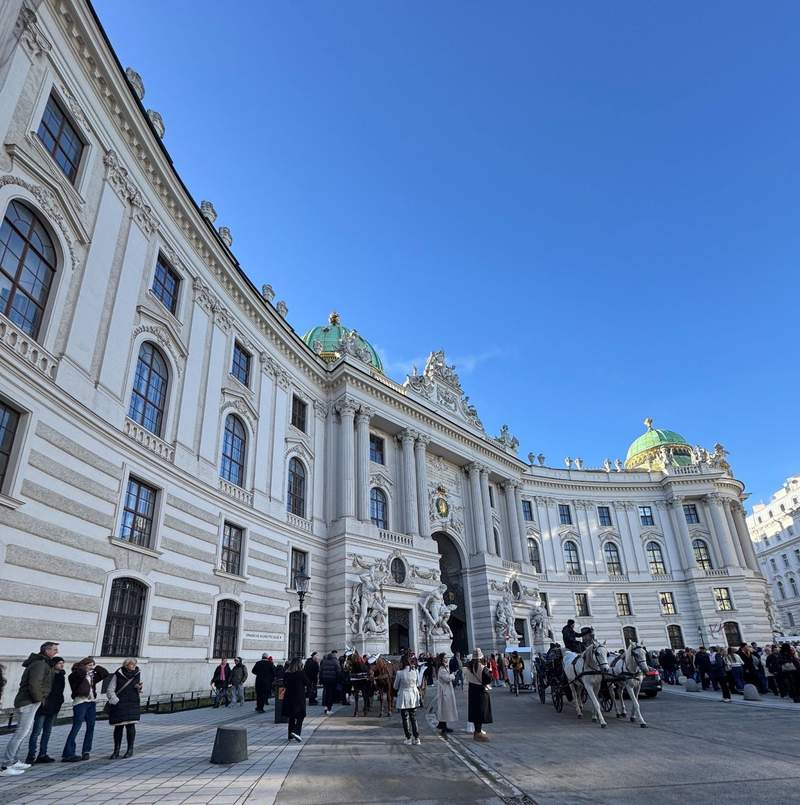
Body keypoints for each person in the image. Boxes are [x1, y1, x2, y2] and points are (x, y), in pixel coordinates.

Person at [1, 641, 59, 776]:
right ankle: (6, 764)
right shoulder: (40, 664)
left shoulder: (42, 662)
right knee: (20, 733)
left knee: (23, 733)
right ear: (46, 650)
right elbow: (34, 683)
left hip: (31, 701)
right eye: (54, 649)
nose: (56, 652)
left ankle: (14, 760)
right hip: (28, 702)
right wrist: (39, 699)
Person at [62, 656, 109, 762]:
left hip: (91, 703)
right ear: (83, 665)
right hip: (80, 702)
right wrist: (84, 669)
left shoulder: (92, 676)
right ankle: (68, 753)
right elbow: (79, 675)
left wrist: (96, 667)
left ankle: (86, 751)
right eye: (89, 665)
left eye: (92, 665)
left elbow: (105, 674)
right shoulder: (75, 675)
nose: (91, 667)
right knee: (76, 726)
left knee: (91, 727)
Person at [25, 656, 65, 765]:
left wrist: (59, 702)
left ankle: (43, 754)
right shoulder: (49, 674)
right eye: (59, 663)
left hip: (54, 707)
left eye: (63, 663)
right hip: (43, 706)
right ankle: (31, 755)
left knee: (47, 732)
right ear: (54, 664)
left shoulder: (61, 675)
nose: (62, 665)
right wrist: (41, 701)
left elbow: (59, 692)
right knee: (36, 731)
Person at [106, 659, 142, 759]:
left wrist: (139, 687)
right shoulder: (118, 674)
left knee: (130, 726)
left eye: (135, 664)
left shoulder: (137, 673)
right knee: (118, 727)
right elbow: (110, 689)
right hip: (119, 703)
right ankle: (116, 750)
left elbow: (139, 688)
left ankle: (130, 750)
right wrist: (115, 700)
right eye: (131, 664)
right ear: (126, 665)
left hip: (132, 703)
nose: (134, 666)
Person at [464, 648, 493, 742]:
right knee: (481, 711)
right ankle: (478, 732)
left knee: (475, 711)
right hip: (480, 691)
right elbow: (488, 679)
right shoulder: (482, 668)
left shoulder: (468, 667)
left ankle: (477, 731)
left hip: (472, 690)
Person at [394, 655, 421, 746]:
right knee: (413, 717)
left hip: (404, 696)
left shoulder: (399, 673)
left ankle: (408, 738)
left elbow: (395, 686)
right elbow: (418, 683)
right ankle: (417, 738)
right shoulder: (415, 671)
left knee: (405, 718)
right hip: (413, 695)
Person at [283, 658, 307, 742]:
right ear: (300, 664)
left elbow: (284, 684)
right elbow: (307, 683)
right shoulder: (301, 673)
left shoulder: (287, 673)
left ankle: (290, 735)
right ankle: (296, 732)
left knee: (292, 716)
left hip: (289, 697)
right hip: (299, 697)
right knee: (301, 714)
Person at [434, 653, 458, 735]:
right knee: (444, 709)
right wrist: (453, 675)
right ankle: (443, 727)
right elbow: (447, 678)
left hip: (446, 690)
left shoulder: (444, 667)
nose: (446, 659)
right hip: (444, 692)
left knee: (446, 709)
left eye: (446, 657)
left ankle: (443, 725)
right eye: (444, 658)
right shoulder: (442, 669)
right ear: (441, 659)